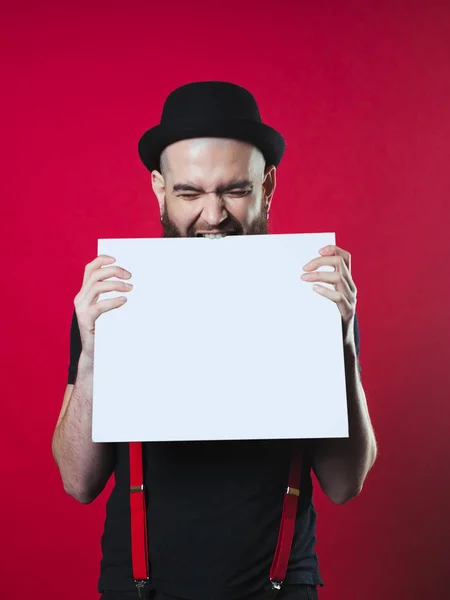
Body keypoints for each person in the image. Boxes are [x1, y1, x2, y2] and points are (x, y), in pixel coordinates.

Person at [52, 81, 377, 600]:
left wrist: (341, 345)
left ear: (267, 185)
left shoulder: (317, 293)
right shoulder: (112, 299)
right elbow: (78, 482)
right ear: (159, 188)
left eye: (234, 190)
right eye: (189, 192)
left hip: (279, 589)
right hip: (140, 590)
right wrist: (94, 355)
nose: (212, 215)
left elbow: (344, 485)